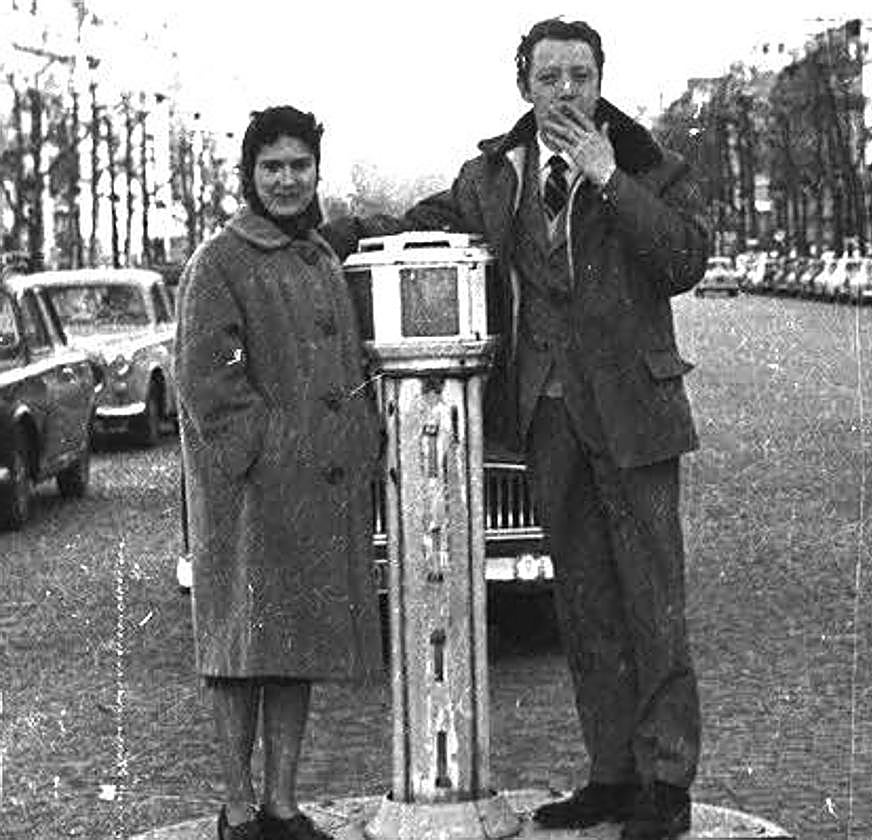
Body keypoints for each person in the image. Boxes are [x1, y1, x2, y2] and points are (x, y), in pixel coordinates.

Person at [323, 18, 707, 840]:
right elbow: (419, 221)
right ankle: (612, 774)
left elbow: (684, 261)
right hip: (547, 413)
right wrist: (323, 240)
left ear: (601, 79)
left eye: (580, 76)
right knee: (584, 601)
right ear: (523, 85)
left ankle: (667, 782)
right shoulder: (493, 175)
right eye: (549, 77)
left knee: (654, 601)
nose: (565, 91)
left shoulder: (651, 164)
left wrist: (609, 177)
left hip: (635, 413)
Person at [176, 106, 383, 840]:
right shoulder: (219, 261)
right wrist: (271, 452)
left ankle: (282, 805)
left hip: (308, 493)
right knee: (240, 653)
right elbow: (208, 382)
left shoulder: (320, 256)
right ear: (250, 174)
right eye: (272, 167)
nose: (287, 180)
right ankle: (237, 812)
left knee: (293, 649)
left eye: (300, 165)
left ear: (317, 171)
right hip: (248, 497)